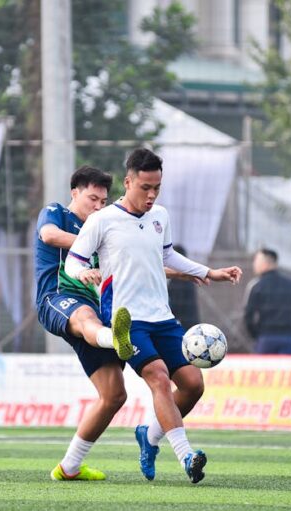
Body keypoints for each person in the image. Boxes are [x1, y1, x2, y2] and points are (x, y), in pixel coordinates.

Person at [64, 148, 242, 484]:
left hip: (162, 316)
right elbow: (73, 260)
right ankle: (187, 455)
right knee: (158, 377)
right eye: (145, 187)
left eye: (157, 187)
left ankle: (149, 436)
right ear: (128, 181)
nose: (151, 194)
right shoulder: (102, 220)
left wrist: (210, 272)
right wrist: (82, 274)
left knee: (192, 385)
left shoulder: (160, 215)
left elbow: (167, 254)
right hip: (126, 320)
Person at [35, 165, 133, 482]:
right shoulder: (56, 213)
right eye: (93, 198)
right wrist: (85, 244)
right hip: (57, 298)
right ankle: (112, 337)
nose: (98, 206)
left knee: (115, 394)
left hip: (94, 310)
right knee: (85, 317)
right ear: (75, 192)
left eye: (103, 201)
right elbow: (47, 235)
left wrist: (196, 272)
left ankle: (69, 466)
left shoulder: (102, 227)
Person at [244, 248, 291, 354]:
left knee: (264, 370)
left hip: (265, 338)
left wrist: (256, 335)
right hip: (289, 337)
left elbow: (248, 315)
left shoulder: (256, 286)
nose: (254, 264)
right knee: (287, 370)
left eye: (256, 260)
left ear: (265, 263)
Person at [166, 245, 201, 331]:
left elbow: (176, 305)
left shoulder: (179, 280)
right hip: (191, 321)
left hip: (184, 324)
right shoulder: (186, 279)